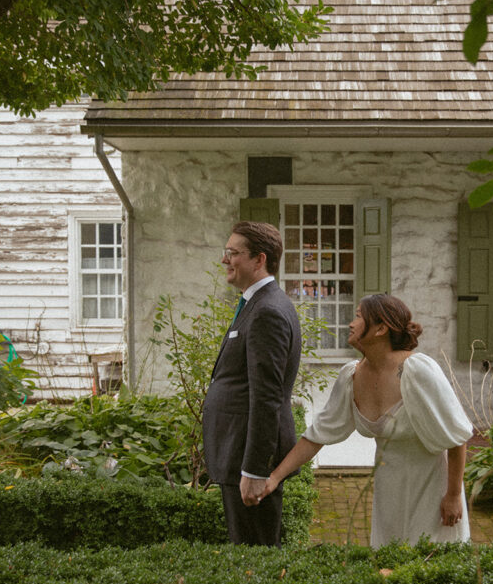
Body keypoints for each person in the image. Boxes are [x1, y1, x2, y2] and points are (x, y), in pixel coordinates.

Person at [261, 294, 472, 547]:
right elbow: (317, 434)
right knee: (388, 565)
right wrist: (274, 477)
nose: (351, 323)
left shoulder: (418, 371)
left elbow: (457, 437)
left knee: (431, 567)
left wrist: (453, 495)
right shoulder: (352, 376)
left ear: (381, 328)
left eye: (359, 317)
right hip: (388, 490)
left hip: (432, 490)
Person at [201, 221, 302, 546]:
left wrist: (255, 471)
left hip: (247, 460)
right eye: (225, 252)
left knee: (254, 563)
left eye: (232, 253)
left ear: (259, 259)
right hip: (237, 454)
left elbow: (267, 397)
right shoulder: (257, 304)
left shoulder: (267, 311)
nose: (224, 260)